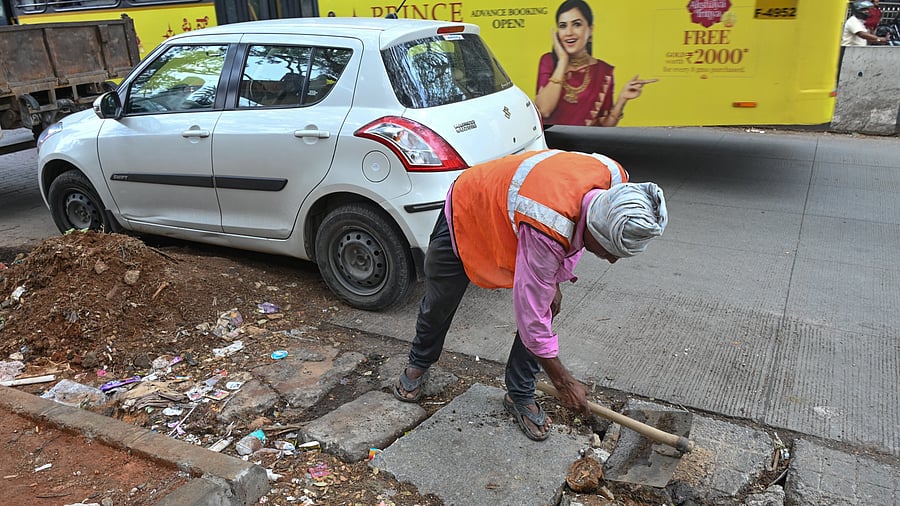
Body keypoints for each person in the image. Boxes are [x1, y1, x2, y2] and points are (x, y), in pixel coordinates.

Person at [392, 149, 668, 441]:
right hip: (470, 207)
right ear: (593, 232)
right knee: (440, 301)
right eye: (610, 252)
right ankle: (419, 362)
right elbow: (531, 318)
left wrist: (554, 279)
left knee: (547, 304)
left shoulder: (615, 182)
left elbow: (565, 236)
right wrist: (563, 382)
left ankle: (519, 393)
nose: (611, 261)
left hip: (520, 219)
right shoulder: (548, 226)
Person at [534, 0, 657, 127]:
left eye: (576, 24)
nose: (569, 32)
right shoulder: (548, 61)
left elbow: (603, 127)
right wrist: (563, 60)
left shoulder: (603, 72)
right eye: (563, 26)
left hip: (583, 145)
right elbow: (544, 110)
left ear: (590, 29)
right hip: (551, 144)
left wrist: (622, 100)